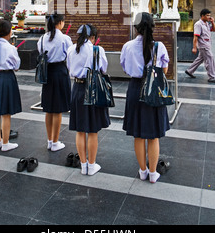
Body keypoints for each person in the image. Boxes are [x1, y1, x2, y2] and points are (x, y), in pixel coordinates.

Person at [120, 12, 170, 183]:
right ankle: (153, 173)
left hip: (135, 89)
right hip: (153, 89)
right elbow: (164, 71)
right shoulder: (159, 47)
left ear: (136, 28)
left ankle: (143, 170)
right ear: (152, 27)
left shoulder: (127, 46)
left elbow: (125, 68)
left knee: (138, 135)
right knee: (153, 135)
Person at [66, 24, 110, 175]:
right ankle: (91, 166)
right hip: (93, 90)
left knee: (80, 130)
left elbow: (69, 67)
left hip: (77, 89)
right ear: (93, 37)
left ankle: (83, 165)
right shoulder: (97, 50)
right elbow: (103, 69)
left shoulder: (71, 49)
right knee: (92, 130)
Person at [37, 12, 72, 151]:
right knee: (57, 110)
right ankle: (56, 142)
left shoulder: (42, 38)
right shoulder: (64, 38)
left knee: (49, 109)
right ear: (61, 23)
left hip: (47, 73)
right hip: (60, 72)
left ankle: (50, 140)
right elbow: (70, 56)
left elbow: (40, 53)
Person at [0, 19, 22, 152]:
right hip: (7, 78)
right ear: (8, 32)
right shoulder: (10, 47)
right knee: (6, 113)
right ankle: (6, 143)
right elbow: (17, 66)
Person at [185, 8, 215, 82]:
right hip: (203, 46)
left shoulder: (207, 23)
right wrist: (194, 47)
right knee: (210, 59)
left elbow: (213, 30)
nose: (209, 17)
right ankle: (212, 77)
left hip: (207, 44)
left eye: (209, 15)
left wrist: (213, 22)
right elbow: (195, 36)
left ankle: (189, 71)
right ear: (202, 16)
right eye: (207, 15)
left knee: (199, 59)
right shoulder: (198, 24)